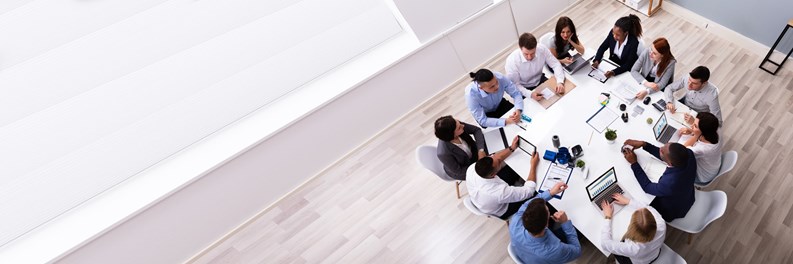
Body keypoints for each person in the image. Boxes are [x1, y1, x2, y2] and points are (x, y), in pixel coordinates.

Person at [434, 115, 523, 184]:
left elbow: (476, 130)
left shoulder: (456, 124)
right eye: (459, 128)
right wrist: (480, 165)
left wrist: (480, 150)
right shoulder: (443, 153)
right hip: (467, 169)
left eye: (459, 123)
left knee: (504, 154)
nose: (463, 126)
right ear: (452, 135)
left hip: (476, 154)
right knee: (497, 168)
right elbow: (460, 171)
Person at [622, 140, 697, 221]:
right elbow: (666, 157)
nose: (660, 148)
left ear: (671, 164)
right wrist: (644, 144)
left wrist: (634, 163)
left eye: (662, 151)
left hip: (674, 210)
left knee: (641, 202)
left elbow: (647, 187)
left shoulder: (670, 183)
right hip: (687, 195)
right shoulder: (688, 154)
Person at [509, 182, 580, 264]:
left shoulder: (515, 222)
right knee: (578, 227)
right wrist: (565, 223)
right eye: (548, 211)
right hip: (547, 254)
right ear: (546, 224)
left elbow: (527, 205)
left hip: (526, 254)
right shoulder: (556, 250)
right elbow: (577, 251)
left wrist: (551, 192)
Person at [467, 146, 540, 219]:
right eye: (499, 162)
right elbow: (529, 191)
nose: (498, 158)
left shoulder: (473, 168)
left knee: (512, 167)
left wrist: (512, 148)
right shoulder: (499, 193)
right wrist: (533, 165)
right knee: (537, 192)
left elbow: (496, 157)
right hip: (504, 208)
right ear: (493, 174)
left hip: (485, 200)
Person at [601, 194, 666, 264]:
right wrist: (628, 201)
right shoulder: (661, 224)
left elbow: (604, 243)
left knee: (616, 248)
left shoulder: (633, 249)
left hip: (639, 262)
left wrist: (608, 217)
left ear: (632, 229)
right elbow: (647, 208)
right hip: (655, 254)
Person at [505, 33, 565, 98]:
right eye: (526, 54)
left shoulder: (542, 49)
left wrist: (560, 81)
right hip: (524, 88)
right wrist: (530, 94)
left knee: (559, 97)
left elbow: (555, 64)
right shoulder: (512, 61)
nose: (530, 57)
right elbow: (515, 85)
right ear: (520, 48)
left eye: (532, 53)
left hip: (540, 79)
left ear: (536, 47)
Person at [677, 112, 723, 185]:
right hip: (713, 166)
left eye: (695, 126)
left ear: (703, 132)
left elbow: (681, 151)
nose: (691, 126)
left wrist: (695, 136)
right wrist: (693, 131)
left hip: (702, 176)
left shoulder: (702, 149)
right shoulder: (715, 131)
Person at [593, 14, 643, 78]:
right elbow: (602, 47)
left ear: (626, 33)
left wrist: (614, 72)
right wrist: (597, 60)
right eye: (613, 33)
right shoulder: (612, 33)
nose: (614, 36)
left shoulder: (633, 42)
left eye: (618, 35)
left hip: (625, 69)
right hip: (613, 64)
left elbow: (628, 65)